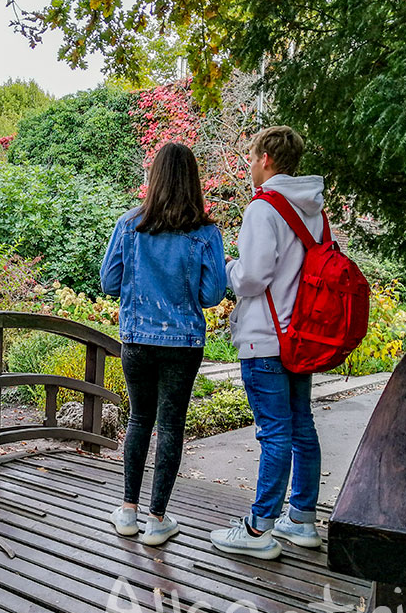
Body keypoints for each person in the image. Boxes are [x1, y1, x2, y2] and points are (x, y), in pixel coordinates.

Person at [100, 142, 227, 546]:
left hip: (137, 337)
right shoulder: (206, 234)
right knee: (171, 425)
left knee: (139, 420)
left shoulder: (128, 225)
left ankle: (127, 511)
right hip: (183, 342)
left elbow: (109, 283)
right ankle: (157, 519)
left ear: (153, 178)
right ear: (192, 182)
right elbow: (211, 294)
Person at [210, 126, 325, 559]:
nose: (249, 165)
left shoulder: (264, 207)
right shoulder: (314, 210)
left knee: (274, 432)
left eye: (252, 157)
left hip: (265, 336)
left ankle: (259, 530)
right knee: (301, 426)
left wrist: (228, 269)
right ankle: (301, 519)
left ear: (268, 160)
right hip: (301, 334)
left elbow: (253, 277)